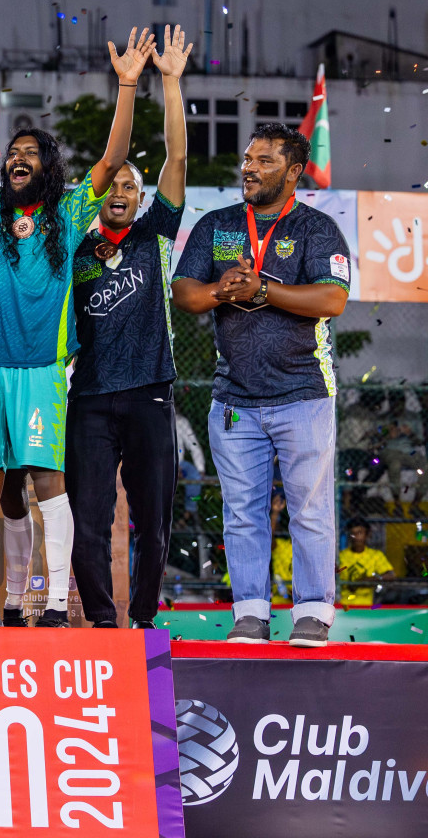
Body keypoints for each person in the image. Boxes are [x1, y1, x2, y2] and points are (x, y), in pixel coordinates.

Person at [0, 28, 155, 628]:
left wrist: (125, 85)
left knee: (45, 481)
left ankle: (57, 608)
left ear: (47, 168)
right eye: (12, 153)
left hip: (42, 375)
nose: (17, 159)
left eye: (30, 154)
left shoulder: (67, 212)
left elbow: (114, 158)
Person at [172, 123, 352, 647]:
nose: (249, 167)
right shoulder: (219, 225)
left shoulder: (318, 229)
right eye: (248, 158)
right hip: (234, 398)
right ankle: (250, 614)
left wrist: (264, 289)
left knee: (309, 510)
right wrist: (218, 291)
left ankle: (313, 613)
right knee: (241, 512)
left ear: (294, 172)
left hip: (304, 395)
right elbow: (184, 292)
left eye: (265, 160)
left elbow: (331, 300)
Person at [65, 24, 193, 629]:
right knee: (87, 521)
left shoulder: (154, 236)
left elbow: (178, 157)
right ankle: (98, 619)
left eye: (130, 187)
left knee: (153, 517)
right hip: (86, 399)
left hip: (149, 395)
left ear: (142, 199)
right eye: (112, 184)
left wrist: (169, 82)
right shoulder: (74, 249)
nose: (119, 191)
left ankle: (142, 620)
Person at [338, 517, 394, 607]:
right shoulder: (341, 556)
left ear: (367, 534)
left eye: (359, 533)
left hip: (367, 604)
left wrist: (366, 580)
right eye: (353, 533)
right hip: (343, 603)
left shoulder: (375, 555)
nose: (356, 537)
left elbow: (390, 576)